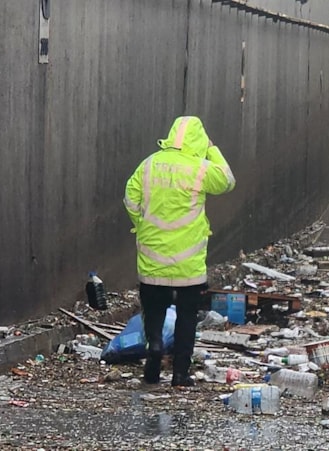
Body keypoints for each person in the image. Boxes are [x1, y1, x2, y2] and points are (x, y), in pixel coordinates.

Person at [124, 116, 235, 387]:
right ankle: (180, 374)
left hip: (152, 259)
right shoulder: (200, 169)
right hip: (188, 263)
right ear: (198, 140)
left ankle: (154, 349)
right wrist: (212, 149)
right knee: (187, 317)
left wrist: (142, 225)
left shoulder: (148, 164)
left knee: (154, 310)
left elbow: (130, 198)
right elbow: (227, 181)